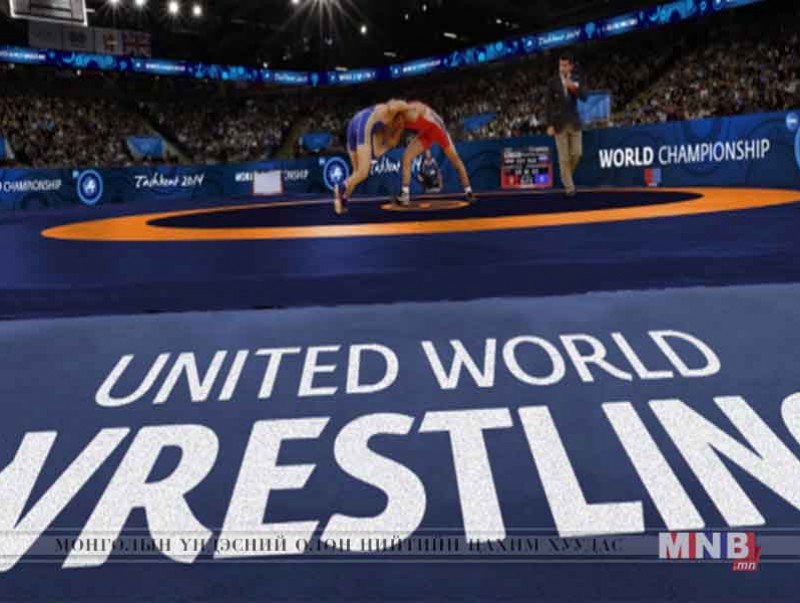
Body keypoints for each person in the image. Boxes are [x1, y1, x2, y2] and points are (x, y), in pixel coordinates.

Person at [335, 100, 409, 215]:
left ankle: (343, 202)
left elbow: (379, 152)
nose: (400, 125)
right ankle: (340, 187)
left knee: (356, 173)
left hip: (354, 123)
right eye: (400, 122)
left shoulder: (383, 126)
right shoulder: (389, 113)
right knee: (363, 172)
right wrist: (407, 108)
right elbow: (393, 106)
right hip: (364, 122)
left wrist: (398, 128)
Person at [394, 101, 475, 206]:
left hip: (439, 131)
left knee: (456, 161)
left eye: (398, 120)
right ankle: (405, 195)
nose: (398, 124)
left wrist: (444, 131)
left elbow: (432, 115)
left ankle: (469, 192)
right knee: (406, 157)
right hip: (427, 132)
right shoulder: (398, 120)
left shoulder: (413, 109)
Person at [544, 53, 587, 197]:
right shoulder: (552, 82)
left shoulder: (577, 78)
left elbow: (584, 97)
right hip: (558, 124)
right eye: (560, 65)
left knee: (577, 153)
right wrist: (549, 124)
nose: (561, 68)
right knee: (563, 158)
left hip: (574, 122)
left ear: (570, 66)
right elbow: (548, 105)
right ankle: (570, 187)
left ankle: (565, 176)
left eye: (564, 65)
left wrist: (572, 87)